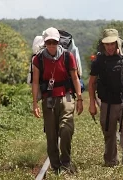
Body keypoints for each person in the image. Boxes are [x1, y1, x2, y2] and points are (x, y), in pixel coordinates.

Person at [88, 29, 123, 167]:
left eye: (112, 43)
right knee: (109, 133)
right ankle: (111, 161)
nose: (110, 47)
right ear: (103, 45)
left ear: (117, 42)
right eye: (107, 44)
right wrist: (92, 103)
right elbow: (91, 83)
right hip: (107, 102)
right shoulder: (99, 61)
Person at [31, 27, 83, 174]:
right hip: (48, 98)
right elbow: (35, 82)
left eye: (54, 42)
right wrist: (35, 103)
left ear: (58, 42)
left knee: (66, 128)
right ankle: (55, 165)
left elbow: (74, 78)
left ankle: (66, 161)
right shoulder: (38, 59)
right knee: (51, 134)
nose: (52, 45)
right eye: (49, 42)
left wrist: (79, 98)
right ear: (45, 43)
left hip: (66, 96)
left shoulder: (67, 57)